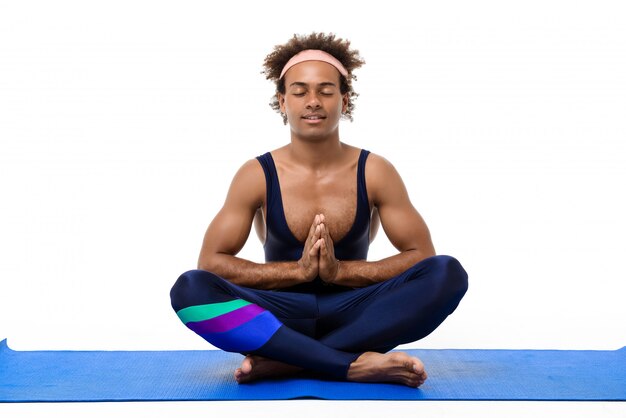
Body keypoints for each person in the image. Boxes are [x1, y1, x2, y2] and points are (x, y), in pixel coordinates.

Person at [170, 32, 468, 388]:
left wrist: (340, 272)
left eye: (326, 91)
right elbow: (212, 263)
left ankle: (289, 361)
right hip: (280, 315)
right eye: (299, 92)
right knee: (190, 289)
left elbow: (421, 257)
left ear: (344, 100)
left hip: (356, 314)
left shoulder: (375, 171)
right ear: (282, 101)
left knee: (447, 273)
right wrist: (298, 271)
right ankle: (348, 365)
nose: (313, 101)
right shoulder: (256, 175)